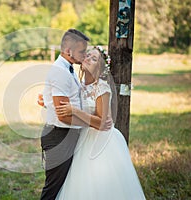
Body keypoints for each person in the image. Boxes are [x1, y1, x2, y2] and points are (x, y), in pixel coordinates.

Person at [55, 46, 146, 199]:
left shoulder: (101, 87)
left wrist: (75, 111)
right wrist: (50, 103)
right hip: (82, 138)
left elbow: (103, 124)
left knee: (100, 184)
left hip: (101, 141)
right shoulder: (79, 83)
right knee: (80, 184)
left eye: (94, 58)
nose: (88, 59)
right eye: (88, 55)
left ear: (100, 67)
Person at [40, 29, 112, 200]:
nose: (84, 56)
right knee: (53, 189)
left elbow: (72, 101)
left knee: (71, 187)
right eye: (82, 52)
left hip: (77, 139)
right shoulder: (61, 71)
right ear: (68, 51)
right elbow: (63, 115)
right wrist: (93, 122)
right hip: (59, 137)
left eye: (89, 54)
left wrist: (48, 102)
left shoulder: (72, 72)